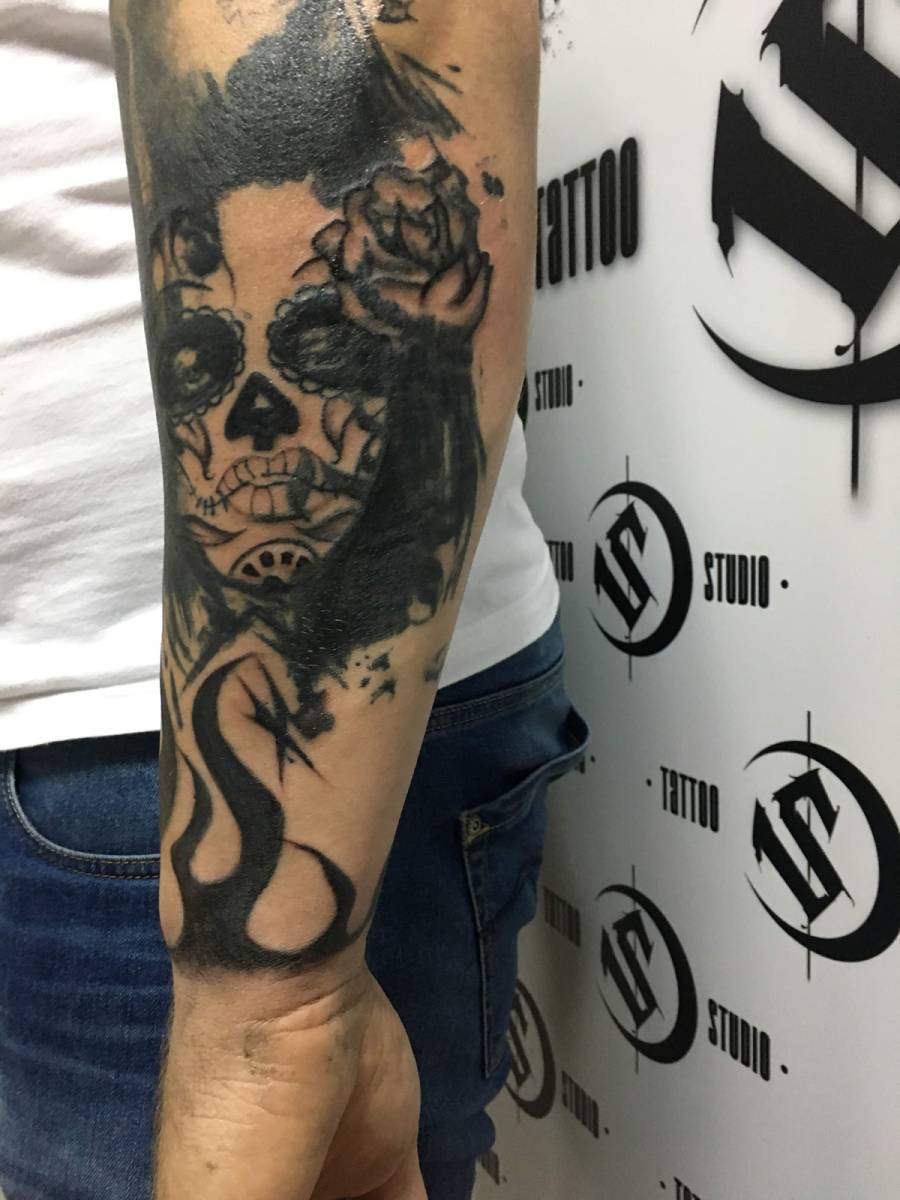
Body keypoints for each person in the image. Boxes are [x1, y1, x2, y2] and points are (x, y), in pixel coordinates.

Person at [0, 2, 587, 1198]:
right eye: (217, 365)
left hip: (177, 748)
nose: (260, 410)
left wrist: (276, 1006)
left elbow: (379, 32)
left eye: (320, 347)